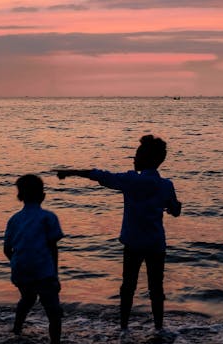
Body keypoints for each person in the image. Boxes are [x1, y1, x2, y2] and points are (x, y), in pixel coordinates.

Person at [56, 135, 181, 333]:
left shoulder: (130, 180)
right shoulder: (166, 185)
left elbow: (99, 174)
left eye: (138, 154)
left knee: (128, 287)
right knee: (156, 288)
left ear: (147, 159)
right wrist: (174, 207)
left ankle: (123, 328)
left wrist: (70, 172)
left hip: (133, 243)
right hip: (156, 244)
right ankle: (158, 328)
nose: (134, 158)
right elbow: (175, 210)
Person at [4, 174, 64, 344]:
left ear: (19, 196)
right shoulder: (48, 217)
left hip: (20, 269)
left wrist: (18, 262)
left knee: (27, 299)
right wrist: (54, 274)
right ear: (43, 196)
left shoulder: (14, 219)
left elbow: (7, 249)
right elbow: (53, 248)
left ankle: (16, 330)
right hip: (43, 271)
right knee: (53, 310)